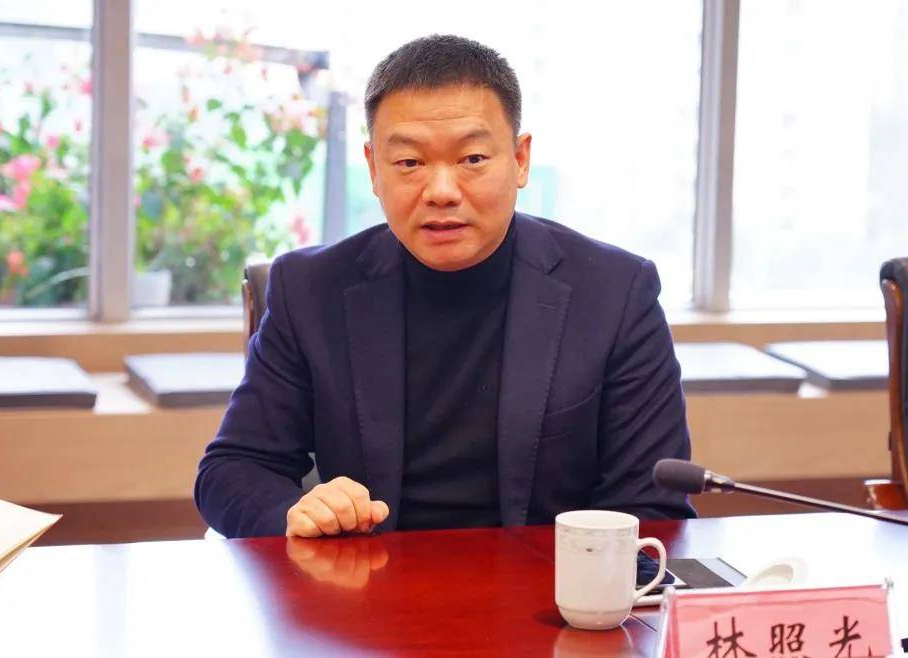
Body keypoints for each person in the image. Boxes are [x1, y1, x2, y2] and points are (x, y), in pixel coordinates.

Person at [195, 34, 694, 539]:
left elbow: (653, 503)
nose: (441, 191)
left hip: (552, 582)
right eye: (409, 163)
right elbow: (231, 469)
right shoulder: (310, 290)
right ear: (373, 169)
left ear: (520, 159)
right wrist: (297, 513)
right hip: (367, 581)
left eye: (472, 159)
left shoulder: (616, 293)